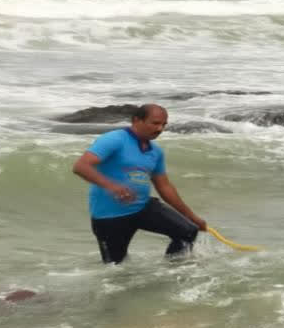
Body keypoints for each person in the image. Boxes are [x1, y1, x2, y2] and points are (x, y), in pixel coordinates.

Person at [72, 104, 207, 264]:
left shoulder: (155, 152)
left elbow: (164, 187)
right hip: (110, 216)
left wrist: (191, 217)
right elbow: (81, 166)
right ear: (137, 120)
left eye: (164, 124)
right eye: (155, 123)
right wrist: (113, 187)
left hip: (143, 208)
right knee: (115, 268)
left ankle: (172, 274)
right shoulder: (114, 139)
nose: (160, 129)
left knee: (188, 231)